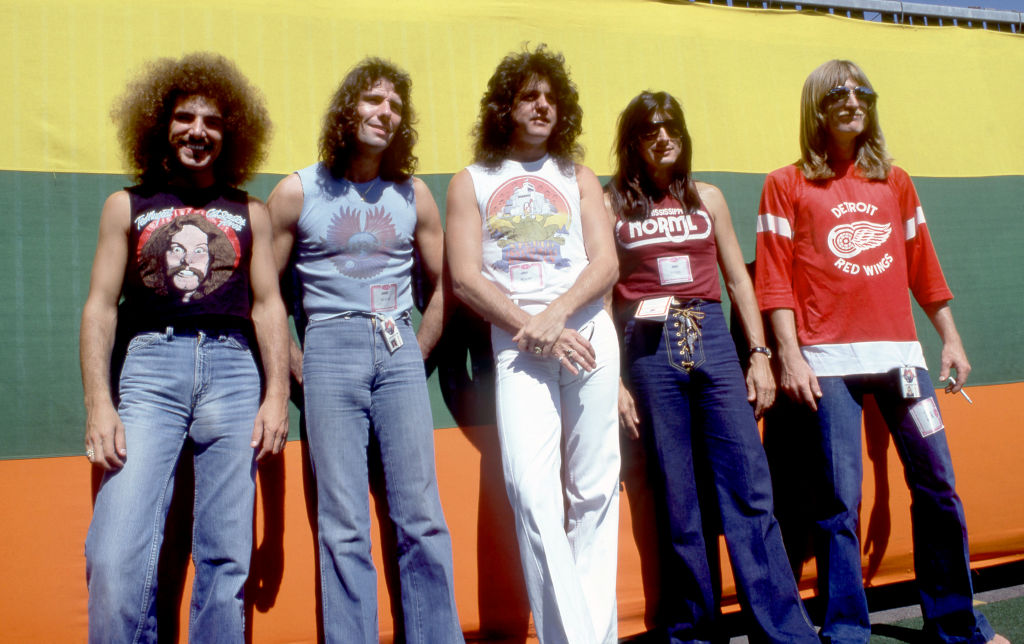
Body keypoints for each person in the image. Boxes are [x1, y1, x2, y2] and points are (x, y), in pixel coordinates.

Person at [754, 59, 1008, 644]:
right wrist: (789, 355)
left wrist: (950, 337)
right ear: (817, 106)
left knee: (938, 487)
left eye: (861, 91)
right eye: (837, 93)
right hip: (828, 365)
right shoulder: (785, 184)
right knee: (840, 503)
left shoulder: (896, 181)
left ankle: (957, 623)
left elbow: (924, 265)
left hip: (904, 362)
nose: (851, 100)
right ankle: (846, 631)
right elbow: (774, 281)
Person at [80, 52, 290, 642]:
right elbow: (99, 305)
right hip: (149, 368)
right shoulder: (127, 206)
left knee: (226, 559)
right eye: (185, 117)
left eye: (213, 121)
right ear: (160, 126)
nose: (198, 130)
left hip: (233, 369)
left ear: (230, 134)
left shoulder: (249, 211)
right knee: (115, 555)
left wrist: (276, 395)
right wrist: (99, 402)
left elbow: (269, 304)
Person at [606, 91, 818, 644]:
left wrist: (761, 354)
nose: (662, 135)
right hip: (646, 346)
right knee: (678, 496)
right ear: (633, 141)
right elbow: (604, 298)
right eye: (649, 128)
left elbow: (738, 280)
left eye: (671, 125)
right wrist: (616, 381)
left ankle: (783, 632)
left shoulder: (709, 198)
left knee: (748, 485)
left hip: (713, 338)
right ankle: (694, 633)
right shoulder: (610, 204)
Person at [266, 57, 462, 644]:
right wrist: (298, 366)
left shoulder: (414, 194)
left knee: (421, 518)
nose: (385, 113)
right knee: (343, 524)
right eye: (374, 101)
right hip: (328, 344)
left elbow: (447, 282)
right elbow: (266, 295)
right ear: (348, 109)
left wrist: (417, 348)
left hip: (398, 345)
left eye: (396, 107)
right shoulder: (296, 191)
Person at [446, 45, 621, 644]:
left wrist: (559, 314)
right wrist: (534, 325)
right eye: (528, 96)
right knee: (529, 489)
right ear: (505, 107)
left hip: (588, 335)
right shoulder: (471, 181)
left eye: (551, 97)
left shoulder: (577, 177)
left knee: (595, 491)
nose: (542, 105)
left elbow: (606, 264)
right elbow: (466, 276)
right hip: (520, 346)